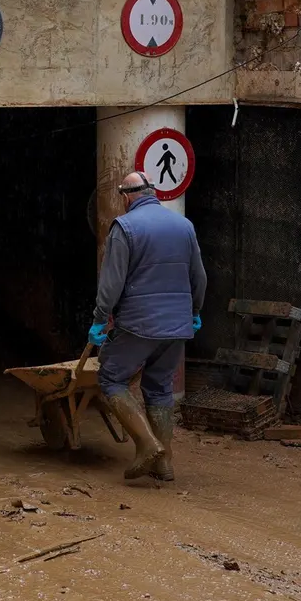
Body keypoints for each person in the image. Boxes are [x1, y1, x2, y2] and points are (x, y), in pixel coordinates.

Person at [88, 171, 206, 481]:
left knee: (111, 379)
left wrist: (100, 320)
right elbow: (199, 277)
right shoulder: (185, 226)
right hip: (178, 326)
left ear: (127, 197)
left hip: (138, 324)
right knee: (159, 387)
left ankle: (147, 445)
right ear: (153, 192)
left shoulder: (125, 227)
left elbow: (111, 284)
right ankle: (164, 464)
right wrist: (194, 312)